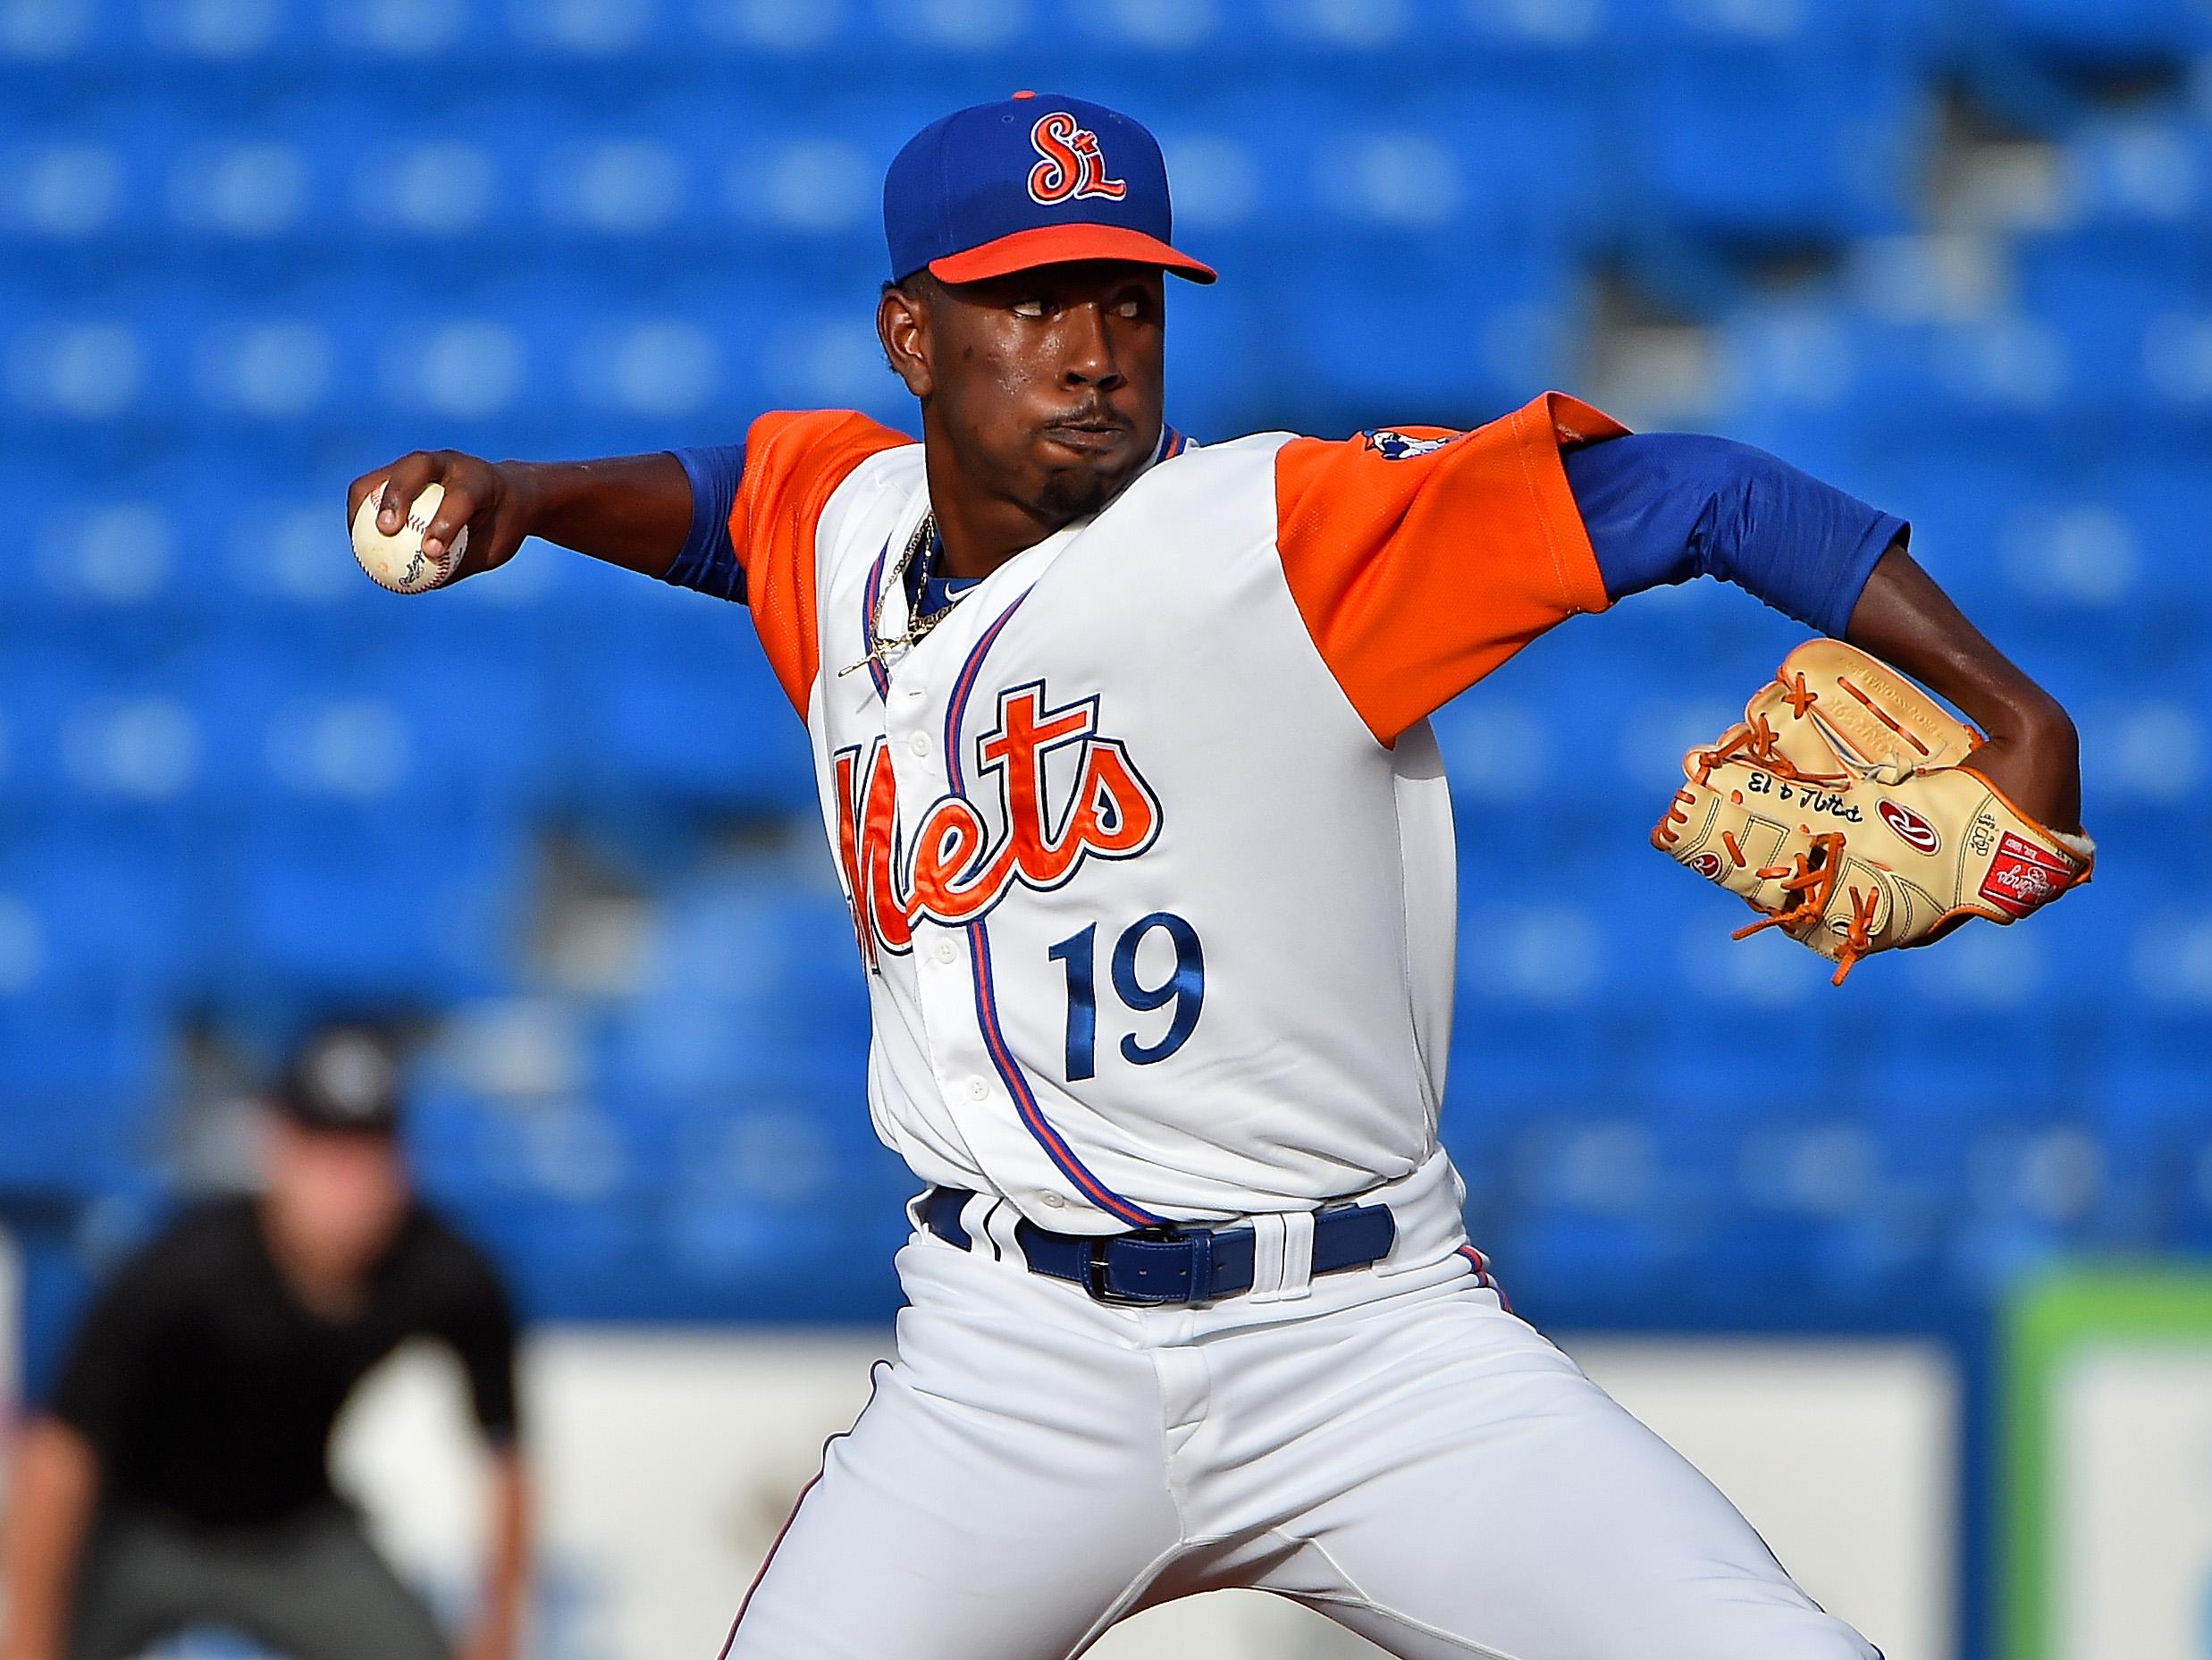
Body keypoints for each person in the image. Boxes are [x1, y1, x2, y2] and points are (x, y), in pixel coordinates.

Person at [345, 92, 2082, 1660]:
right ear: (911, 335)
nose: (1094, 348)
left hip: (1365, 1343)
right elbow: (732, 503)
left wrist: (2008, 709)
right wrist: (529, 493)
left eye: (1128, 300)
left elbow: (1690, 490)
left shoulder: (1281, 540)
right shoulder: (849, 520)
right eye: (1030, 301)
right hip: (1005, 1359)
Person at [0, 1030, 530, 1660]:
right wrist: (30, 1635)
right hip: (141, 1528)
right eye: (323, 1151)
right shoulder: (185, 1267)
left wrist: (497, 1627)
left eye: (366, 1154)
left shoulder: (445, 1272)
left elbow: (508, 1453)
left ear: (402, 1165)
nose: (345, 1186)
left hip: (298, 1531)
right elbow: (60, 1457)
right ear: (276, 1147)